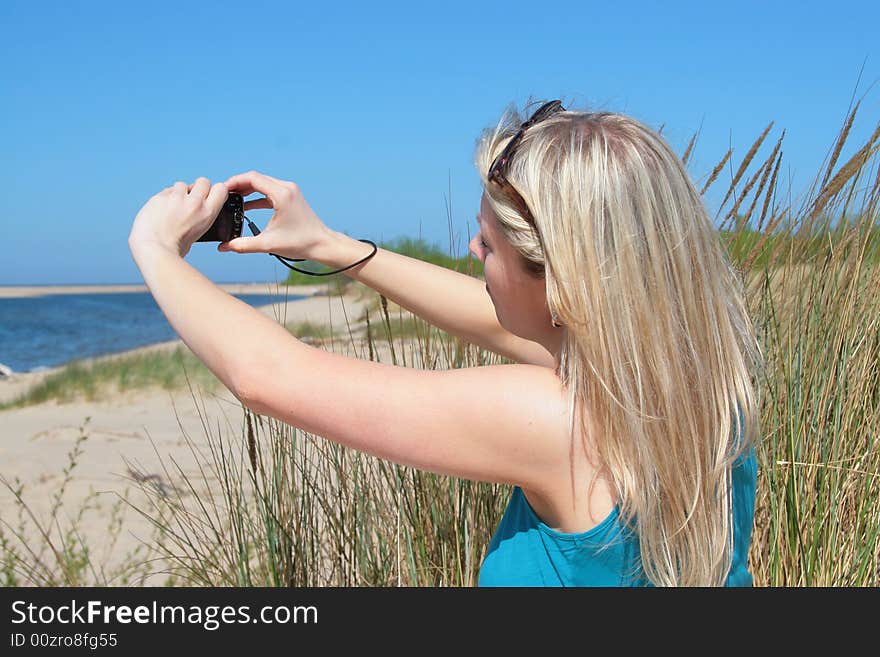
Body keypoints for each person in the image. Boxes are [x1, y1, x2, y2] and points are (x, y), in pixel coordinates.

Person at [128, 98, 763, 587]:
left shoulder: (558, 423)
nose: (472, 251)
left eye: (488, 245)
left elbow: (268, 378)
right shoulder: (707, 372)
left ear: (567, 286)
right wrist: (331, 248)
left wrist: (155, 250)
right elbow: (492, 316)